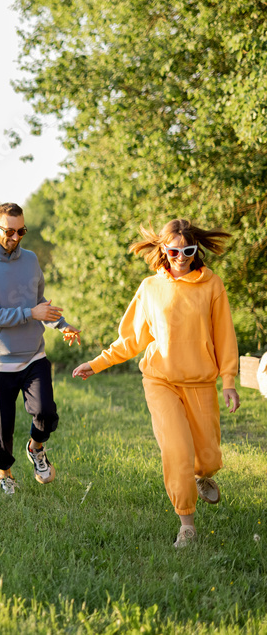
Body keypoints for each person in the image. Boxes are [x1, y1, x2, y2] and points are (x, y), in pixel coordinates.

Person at [72, 219, 239, 548]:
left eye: (187, 250)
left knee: (208, 458)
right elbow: (131, 340)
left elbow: (224, 336)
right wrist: (98, 363)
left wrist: (229, 380)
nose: (180, 256)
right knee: (176, 450)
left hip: (201, 382)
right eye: (173, 250)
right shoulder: (150, 288)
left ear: (196, 250)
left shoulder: (211, 286)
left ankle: (202, 475)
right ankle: (187, 524)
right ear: (164, 250)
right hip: (160, 381)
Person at [0, 203, 80, 495]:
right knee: (1, 430)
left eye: (21, 231)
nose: (16, 237)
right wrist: (31, 313)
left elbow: (40, 302)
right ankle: (5, 475)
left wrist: (62, 324)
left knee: (46, 412)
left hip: (34, 355)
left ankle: (36, 448)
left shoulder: (30, 260)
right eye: (9, 231)